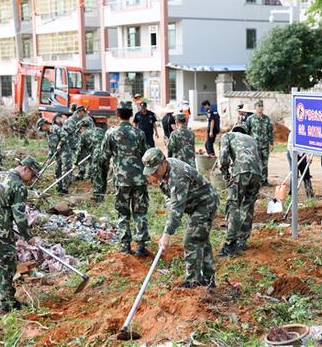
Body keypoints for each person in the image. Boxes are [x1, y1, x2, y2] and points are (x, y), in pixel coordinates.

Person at [144, 148, 219, 288]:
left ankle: (193, 282)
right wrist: (170, 219)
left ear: (163, 163)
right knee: (201, 239)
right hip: (196, 205)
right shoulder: (164, 173)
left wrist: (167, 233)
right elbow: (170, 199)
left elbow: (177, 208)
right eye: (151, 171)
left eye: (155, 170)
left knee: (191, 240)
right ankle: (208, 280)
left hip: (205, 204)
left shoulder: (177, 175)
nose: (153, 174)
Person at [0, 156, 40, 312]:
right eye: (32, 175)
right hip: (0, 232)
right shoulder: (18, 185)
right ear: (26, 168)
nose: (30, 180)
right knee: (5, 266)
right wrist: (28, 236)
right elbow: (19, 215)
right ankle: (8, 303)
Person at [101, 101, 150, 256]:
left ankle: (125, 245)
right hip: (139, 179)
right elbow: (146, 155)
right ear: (131, 115)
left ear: (117, 114)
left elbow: (104, 156)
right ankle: (141, 246)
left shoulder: (111, 133)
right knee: (140, 212)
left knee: (123, 213)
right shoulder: (139, 133)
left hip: (121, 180)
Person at [218, 125, 262, 256]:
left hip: (241, 171)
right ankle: (242, 241)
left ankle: (230, 244)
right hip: (257, 173)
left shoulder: (228, 135)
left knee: (233, 205)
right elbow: (261, 159)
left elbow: (224, 156)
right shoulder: (252, 139)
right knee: (248, 205)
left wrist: (225, 174)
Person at [74, 118, 109, 203]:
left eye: (80, 130)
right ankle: (102, 196)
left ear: (83, 127)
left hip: (97, 155)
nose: (80, 132)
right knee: (103, 175)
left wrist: (75, 163)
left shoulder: (84, 134)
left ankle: (97, 199)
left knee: (96, 176)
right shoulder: (100, 130)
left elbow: (79, 150)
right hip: (107, 154)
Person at [36, 117, 72, 194]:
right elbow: (51, 147)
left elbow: (65, 135)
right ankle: (59, 187)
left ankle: (65, 189)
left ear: (44, 124)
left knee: (65, 169)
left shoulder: (55, 128)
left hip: (65, 151)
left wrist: (60, 144)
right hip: (57, 154)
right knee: (57, 169)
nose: (42, 130)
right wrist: (49, 158)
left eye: (41, 127)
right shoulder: (47, 133)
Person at [244, 101, 273, 186]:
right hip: (254, 145)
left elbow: (270, 132)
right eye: (259, 106)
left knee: (265, 163)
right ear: (255, 108)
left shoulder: (266, 119)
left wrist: (271, 143)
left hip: (264, 145)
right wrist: (247, 143)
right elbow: (247, 131)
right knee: (255, 163)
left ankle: (264, 181)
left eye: (262, 106)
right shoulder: (250, 119)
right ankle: (255, 181)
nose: (261, 108)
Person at [286, 131, 314, 198]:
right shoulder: (293, 131)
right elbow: (290, 147)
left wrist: (309, 156)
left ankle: (310, 194)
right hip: (292, 153)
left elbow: (310, 143)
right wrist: (295, 161)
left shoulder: (308, 130)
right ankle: (292, 195)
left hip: (302, 153)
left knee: (306, 173)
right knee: (294, 174)